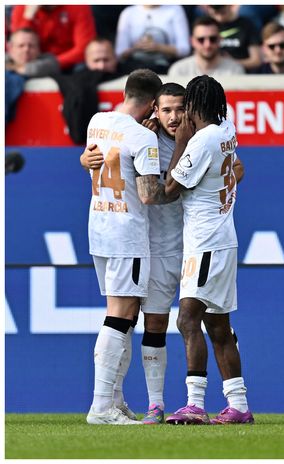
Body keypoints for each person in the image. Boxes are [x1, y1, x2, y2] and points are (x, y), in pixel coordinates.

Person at [84, 68, 177, 425]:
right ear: (154, 104)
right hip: (127, 234)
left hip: (99, 228)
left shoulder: (97, 121)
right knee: (120, 317)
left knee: (123, 314)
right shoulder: (143, 138)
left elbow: (93, 161)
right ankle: (101, 406)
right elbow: (150, 196)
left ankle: (116, 400)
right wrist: (186, 183)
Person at [163, 75, 252, 425]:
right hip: (222, 238)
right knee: (218, 327)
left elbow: (170, 188)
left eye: (186, 107)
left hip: (205, 243)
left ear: (196, 107)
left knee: (187, 319)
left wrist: (180, 144)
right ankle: (239, 405)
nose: (182, 115)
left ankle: (195, 404)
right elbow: (239, 169)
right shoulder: (226, 128)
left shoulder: (201, 141)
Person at [10, 5, 96, 72]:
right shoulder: (22, 7)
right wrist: (28, 18)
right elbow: (17, 45)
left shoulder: (78, 7)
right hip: (33, 61)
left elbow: (84, 49)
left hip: (68, 64)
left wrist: (52, 64)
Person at [115, 5, 190, 74]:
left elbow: (184, 49)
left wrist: (159, 48)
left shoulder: (175, 9)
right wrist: (136, 48)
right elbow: (120, 54)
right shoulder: (128, 13)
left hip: (167, 68)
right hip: (135, 69)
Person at [168, 17, 244, 77]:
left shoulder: (235, 70)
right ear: (192, 41)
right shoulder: (178, 71)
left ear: (220, 40)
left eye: (212, 39)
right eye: (201, 40)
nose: (207, 44)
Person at [204, 5, 261, 72]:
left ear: (230, 6)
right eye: (216, 13)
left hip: (239, 73)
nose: (219, 17)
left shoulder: (246, 25)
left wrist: (230, 62)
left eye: (222, 12)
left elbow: (256, 61)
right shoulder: (206, 26)